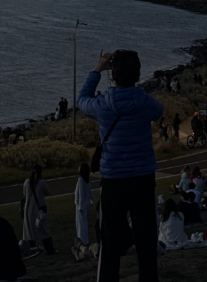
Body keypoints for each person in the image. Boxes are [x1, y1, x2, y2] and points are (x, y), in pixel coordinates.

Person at [78, 48, 163, 282]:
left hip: (113, 180)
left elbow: (82, 100)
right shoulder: (143, 102)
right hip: (143, 178)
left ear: (113, 75)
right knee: (146, 242)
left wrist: (97, 71)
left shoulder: (102, 105)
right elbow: (158, 111)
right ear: (137, 74)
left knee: (110, 243)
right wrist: (137, 92)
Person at [22, 164, 54, 253]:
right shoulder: (42, 183)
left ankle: (32, 249)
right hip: (38, 210)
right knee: (44, 230)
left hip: (28, 210)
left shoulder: (26, 182)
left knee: (29, 231)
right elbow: (47, 192)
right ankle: (49, 249)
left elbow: (24, 193)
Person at [73, 163, 93, 258]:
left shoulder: (81, 181)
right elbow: (88, 192)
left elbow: (80, 194)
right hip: (84, 205)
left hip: (80, 206)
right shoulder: (86, 180)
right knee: (83, 223)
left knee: (81, 224)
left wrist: (80, 206)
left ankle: (82, 240)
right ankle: (85, 240)